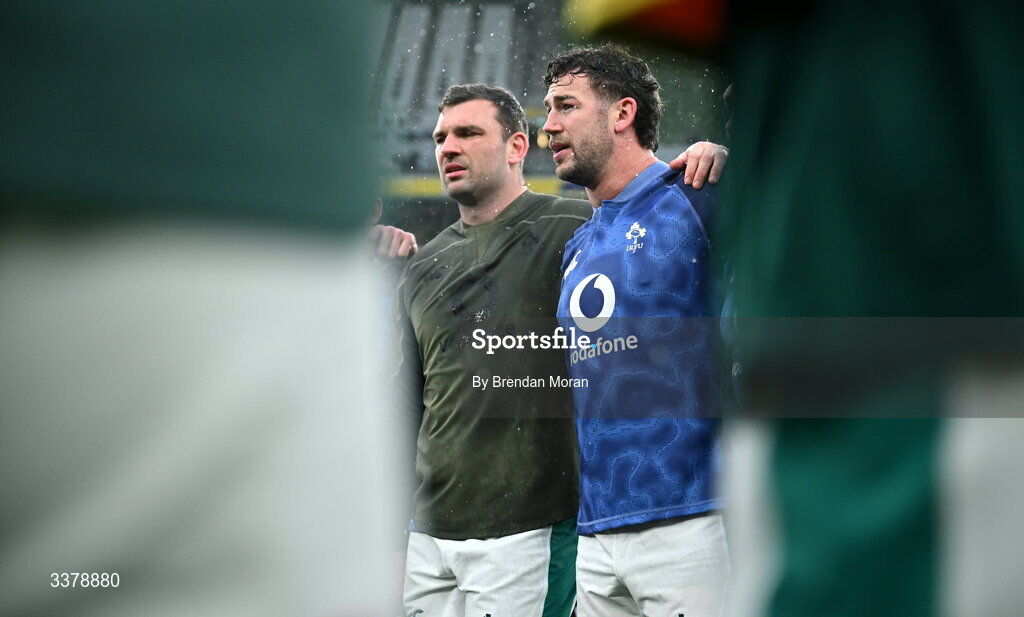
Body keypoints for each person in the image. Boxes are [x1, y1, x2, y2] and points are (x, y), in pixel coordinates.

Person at [395, 83, 728, 617]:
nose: (447, 147)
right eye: (440, 137)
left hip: (541, 525)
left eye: (467, 133)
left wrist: (713, 161)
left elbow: (645, 218)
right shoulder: (421, 266)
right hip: (432, 533)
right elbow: (409, 403)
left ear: (517, 147)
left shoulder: (573, 231)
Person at [546, 44, 730, 616]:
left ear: (622, 114)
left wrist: (735, 159)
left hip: (694, 517)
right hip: (598, 534)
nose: (548, 124)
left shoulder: (698, 199)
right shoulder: (578, 246)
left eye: (566, 106)